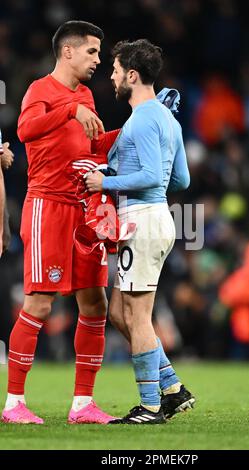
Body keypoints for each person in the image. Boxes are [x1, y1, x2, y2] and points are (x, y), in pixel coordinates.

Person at [1, 21, 117, 425]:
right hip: (47, 206)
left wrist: (139, 127)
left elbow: (93, 143)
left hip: (83, 209)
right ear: (68, 52)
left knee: (95, 303)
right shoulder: (41, 90)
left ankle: (83, 404)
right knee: (40, 302)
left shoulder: (85, 95)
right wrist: (70, 109)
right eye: (92, 52)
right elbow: (24, 129)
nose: (98, 61)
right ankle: (14, 403)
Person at [85, 39, 195, 424]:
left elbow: (151, 176)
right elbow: (179, 178)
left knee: (138, 316)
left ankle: (151, 406)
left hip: (144, 220)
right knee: (119, 312)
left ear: (132, 75)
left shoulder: (146, 117)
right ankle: (172, 387)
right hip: (154, 217)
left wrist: (106, 182)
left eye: (115, 70)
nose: (111, 76)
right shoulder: (168, 119)